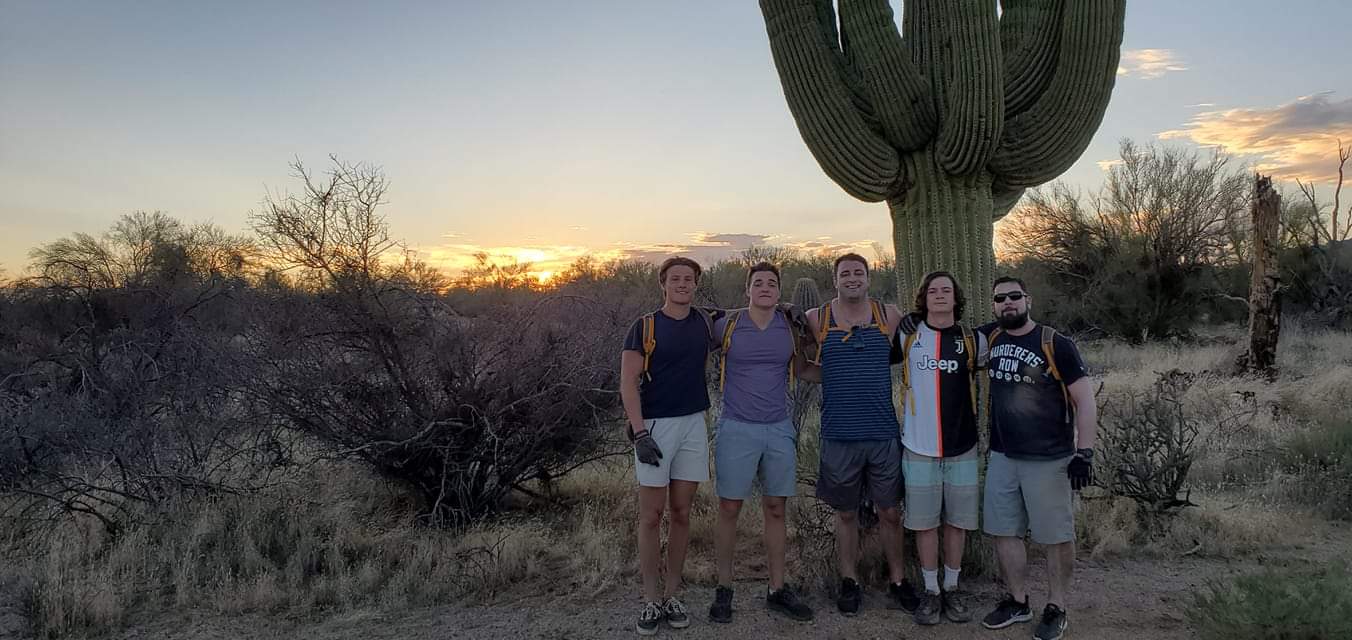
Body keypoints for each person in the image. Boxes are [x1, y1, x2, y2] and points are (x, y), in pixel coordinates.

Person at [978, 276, 1097, 640]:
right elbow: (945, 334)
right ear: (994, 304)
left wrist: (1085, 452)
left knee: (1056, 536)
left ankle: (1057, 606)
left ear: (1027, 300)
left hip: (1049, 458)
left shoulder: (1055, 343)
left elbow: (1085, 399)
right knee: (1003, 531)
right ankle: (1017, 600)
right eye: (1000, 299)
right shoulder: (991, 338)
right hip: (1003, 455)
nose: (1008, 303)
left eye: (1015, 296)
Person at [803, 253, 920, 617]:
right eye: (845, 273)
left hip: (882, 431)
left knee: (889, 511)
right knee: (847, 513)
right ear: (834, 278)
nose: (852, 278)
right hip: (839, 433)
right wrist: (836, 378)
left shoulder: (889, 315)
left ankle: (898, 580)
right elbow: (801, 364)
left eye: (859, 272)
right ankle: (849, 580)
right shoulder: (815, 318)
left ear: (868, 278)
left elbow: (914, 354)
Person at [707, 262, 815, 624]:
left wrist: (850, 370)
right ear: (747, 290)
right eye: (758, 283)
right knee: (729, 509)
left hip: (778, 427)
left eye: (771, 283)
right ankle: (724, 589)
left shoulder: (790, 326)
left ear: (779, 290)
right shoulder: (728, 325)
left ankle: (777, 589)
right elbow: (692, 347)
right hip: (736, 427)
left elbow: (802, 369)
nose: (765, 287)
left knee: (776, 509)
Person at [619, 256, 720, 636]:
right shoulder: (644, 327)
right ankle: (649, 599)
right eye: (675, 278)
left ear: (696, 284)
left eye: (689, 279)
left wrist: (789, 308)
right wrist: (639, 431)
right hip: (656, 426)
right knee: (651, 516)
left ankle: (673, 594)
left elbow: (744, 314)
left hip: (695, 422)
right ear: (663, 283)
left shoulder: (705, 323)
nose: (682, 284)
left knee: (681, 513)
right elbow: (628, 383)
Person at [893, 271, 986, 625]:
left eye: (946, 290)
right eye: (934, 291)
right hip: (918, 445)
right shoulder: (908, 334)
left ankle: (952, 586)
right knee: (924, 522)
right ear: (924, 298)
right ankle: (930, 591)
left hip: (962, 445)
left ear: (955, 297)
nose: (940, 295)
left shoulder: (972, 339)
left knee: (957, 522)